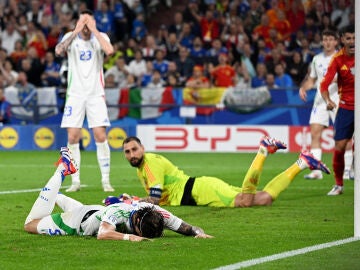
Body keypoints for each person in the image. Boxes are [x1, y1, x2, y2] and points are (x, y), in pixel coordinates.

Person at [24, 148, 212, 240]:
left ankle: (54, 193)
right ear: (136, 223)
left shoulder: (157, 213)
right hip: (76, 222)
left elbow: (187, 228)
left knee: (54, 197)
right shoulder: (119, 212)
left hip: (94, 212)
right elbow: (103, 234)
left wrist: (199, 232)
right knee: (30, 224)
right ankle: (63, 169)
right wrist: (129, 237)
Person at [122, 136, 330, 207]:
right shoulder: (143, 166)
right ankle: (302, 162)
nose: (132, 154)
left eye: (134, 149)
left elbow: (156, 199)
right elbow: (155, 196)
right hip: (198, 188)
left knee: (245, 202)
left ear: (142, 148)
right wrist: (138, 199)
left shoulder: (148, 163)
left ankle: (263, 150)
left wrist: (133, 203)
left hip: (197, 191)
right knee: (263, 199)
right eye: (127, 152)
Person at [55, 10, 115, 192]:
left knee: (100, 135)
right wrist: (75, 31)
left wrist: (95, 30)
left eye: (89, 21)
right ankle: (75, 182)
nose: (86, 25)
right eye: (83, 21)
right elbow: (58, 50)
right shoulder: (70, 37)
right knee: (72, 136)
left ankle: (105, 180)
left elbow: (110, 51)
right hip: (75, 94)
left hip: (96, 94)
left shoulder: (100, 36)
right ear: (78, 22)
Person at [299, 29, 353, 180]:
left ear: (336, 41)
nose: (328, 42)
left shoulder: (343, 57)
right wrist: (304, 87)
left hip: (338, 100)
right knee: (315, 132)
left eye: (330, 39)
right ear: (322, 41)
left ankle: (348, 170)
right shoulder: (316, 59)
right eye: (325, 39)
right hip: (320, 101)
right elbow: (312, 79)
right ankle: (316, 170)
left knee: (345, 137)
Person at [320, 25, 355, 195]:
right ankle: (339, 184)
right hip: (346, 108)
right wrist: (328, 100)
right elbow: (324, 84)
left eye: (355, 38)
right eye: (348, 38)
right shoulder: (337, 59)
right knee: (340, 146)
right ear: (342, 40)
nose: (352, 42)